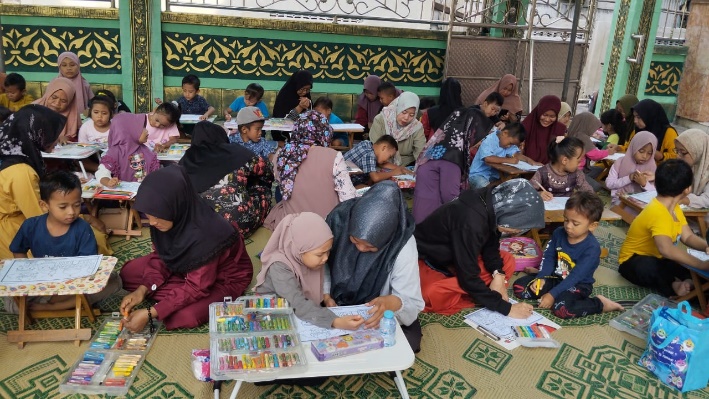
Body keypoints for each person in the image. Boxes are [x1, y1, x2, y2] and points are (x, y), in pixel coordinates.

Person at [119, 166, 254, 331]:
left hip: (221, 279)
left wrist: (150, 312)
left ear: (175, 204)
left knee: (184, 315)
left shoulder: (207, 234)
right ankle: (170, 290)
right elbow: (162, 255)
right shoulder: (164, 216)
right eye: (149, 215)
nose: (152, 222)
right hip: (187, 268)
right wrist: (142, 289)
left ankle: (171, 293)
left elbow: (197, 287)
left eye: (157, 216)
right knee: (128, 273)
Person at [415, 179, 544, 317]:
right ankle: (480, 292)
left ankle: (481, 291)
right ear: (509, 215)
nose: (515, 232)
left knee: (507, 260)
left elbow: (490, 245)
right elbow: (468, 276)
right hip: (431, 262)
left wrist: (498, 275)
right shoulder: (470, 222)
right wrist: (507, 309)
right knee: (430, 293)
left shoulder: (492, 204)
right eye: (516, 227)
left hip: (462, 256)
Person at [325, 181, 424, 352]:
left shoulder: (402, 243)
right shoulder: (338, 220)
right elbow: (320, 264)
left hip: (374, 309)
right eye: (354, 241)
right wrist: (325, 293)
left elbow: (411, 300)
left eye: (370, 247)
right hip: (332, 302)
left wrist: (393, 302)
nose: (361, 249)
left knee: (408, 343)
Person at [5, 171, 121, 313]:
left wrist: (67, 285)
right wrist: (28, 277)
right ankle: (59, 301)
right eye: (63, 207)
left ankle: (52, 306)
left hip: (74, 285)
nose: (71, 212)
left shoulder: (83, 228)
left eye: (77, 205)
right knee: (9, 300)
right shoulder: (30, 225)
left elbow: (87, 265)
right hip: (42, 283)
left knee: (114, 281)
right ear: (44, 205)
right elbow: (18, 250)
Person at [513, 192, 623, 318]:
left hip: (577, 284)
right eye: (566, 220)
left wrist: (552, 295)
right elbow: (549, 256)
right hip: (556, 277)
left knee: (562, 309)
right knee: (520, 288)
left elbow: (576, 276)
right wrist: (541, 277)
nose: (568, 226)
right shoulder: (559, 233)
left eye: (575, 223)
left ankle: (600, 304)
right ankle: (541, 277)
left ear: (592, 226)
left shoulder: (592, 249)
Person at [255, 212, 365, 330]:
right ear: (298, 249)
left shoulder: (310, 258)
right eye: (320, 254)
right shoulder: (279, 267)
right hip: (273, 311)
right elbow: (297, 304)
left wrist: (326, 296)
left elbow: (321, 277)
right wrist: (335, 321)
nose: (326, 258)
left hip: (301, 307)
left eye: (328, 251)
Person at [618, 159, 709, 297]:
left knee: (684, 266)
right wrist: (701, 265)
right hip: (633, 261)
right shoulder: (658, 212)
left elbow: (688, 237)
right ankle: (674, 285)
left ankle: (687, 282)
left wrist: (706, 246)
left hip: (660, 259)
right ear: (687, 189)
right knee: (649, 267)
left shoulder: (675, 208)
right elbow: (666, 250)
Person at [180, 121, 274, 238]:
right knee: (262, 189)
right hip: (240, 226)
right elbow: (267, 170)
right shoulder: (235, 151)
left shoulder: (185, 160)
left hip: (203, 229)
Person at [264, 110, 355, 230]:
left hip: (290, 225)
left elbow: (281, 183)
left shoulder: (281, 154)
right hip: (326, 226)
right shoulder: (333, 156)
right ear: (325, 131)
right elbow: (348, 198)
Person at [0, 105, 63, 259]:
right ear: (37, 132)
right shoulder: (20, 171)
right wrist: (83, 218)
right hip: (12, 229)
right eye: (51, 132)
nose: (57, 139)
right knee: (87, 237)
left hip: (20, 219)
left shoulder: (13, 153)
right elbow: (38, 215)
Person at [95, 112, 160, 186]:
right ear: (131, 131)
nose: (146, 131)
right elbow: (102, 173)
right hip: (122, 195)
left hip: (144, 193)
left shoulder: (146, 150)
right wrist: (108, 182)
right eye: (142, 128)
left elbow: (155, 174)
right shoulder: (115, 152)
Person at [467, 122, 537, 191]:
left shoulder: (507, 142)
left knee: (512, 182)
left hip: (495, 175)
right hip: (478, 175)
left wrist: (529, 160)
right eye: (510, 143)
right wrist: (508, 160)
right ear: (504, 133)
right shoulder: (489, 139)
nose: (510, 146)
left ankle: (496, 188)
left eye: (513, 145)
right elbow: (487, 158)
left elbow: (516, 154)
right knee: (485, 189)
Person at [368, 92, 425, 166]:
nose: (406, 118)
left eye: (411, 115)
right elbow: (375, 150)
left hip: (406, 166)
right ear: (398, 108)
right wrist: (395, 170)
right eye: (404, 112)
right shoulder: (381, 120)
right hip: (379, 164)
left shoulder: (416, 127)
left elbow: (420, 153)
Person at [566, 112, 618, 191]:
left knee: (599, 170)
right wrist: (608, 152)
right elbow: (594, 155)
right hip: (576, 171)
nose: (594, 130)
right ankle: (580, 186)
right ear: (587, 125)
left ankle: (583, 182)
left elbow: (590, 145)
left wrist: (604, 145)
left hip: (574, 169)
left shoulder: (574, 133)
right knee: (597, 186)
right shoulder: (582, 136)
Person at [605, 131, 656, 205]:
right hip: (620, 202)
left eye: (649, 153)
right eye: (641, 151)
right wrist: (629, 178)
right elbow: (609, 184)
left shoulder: (652, 167)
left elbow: (656, 194)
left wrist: (644, 184)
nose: (645, 156)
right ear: (633, 148)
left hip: (640, 206)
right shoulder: (620, 162)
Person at [676, 129, 709, 226]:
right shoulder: (687, 166)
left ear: (697, 151)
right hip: (685, 216)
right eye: (676, 151)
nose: (678, 156)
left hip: (703, 223)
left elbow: (707, 200)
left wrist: (684, 200)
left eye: (683, 152)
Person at [521, 95, 567, 164]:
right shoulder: (526, 125)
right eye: (544, 115)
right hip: (524, 169)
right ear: (539, 111)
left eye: (552, 116)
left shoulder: (559, 129)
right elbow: (517, 152)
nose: (547, 119)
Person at [32, 77, 80, 142]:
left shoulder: (73, 116)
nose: (57, 103)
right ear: (48, 94)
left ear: (69, 103)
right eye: (54, 97)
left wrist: (68, 138)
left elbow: (79, 139)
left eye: (63, 101)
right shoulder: (33, 109)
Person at [272, 70, 313, 142]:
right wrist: (299, 107)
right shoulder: (284, 98)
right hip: (284, 139)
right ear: (296, 85)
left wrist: (309, 106)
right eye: (302, 89)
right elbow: (284, 123)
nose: (304, 92)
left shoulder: (307, 99)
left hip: (304, 138)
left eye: (307, 89)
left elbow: (312, 119)